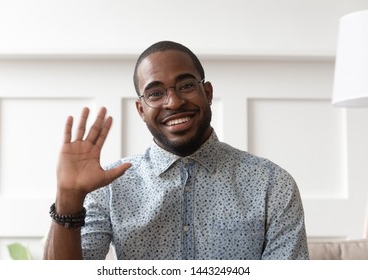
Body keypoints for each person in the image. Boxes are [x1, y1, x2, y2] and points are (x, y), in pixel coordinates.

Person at [43, 40, 309, 260]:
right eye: (155, 93)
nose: (174, 101)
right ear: (141, 110)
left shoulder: (272, 185)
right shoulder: (111, 187)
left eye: (186, 86)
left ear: (207, 92)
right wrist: (68, 197)